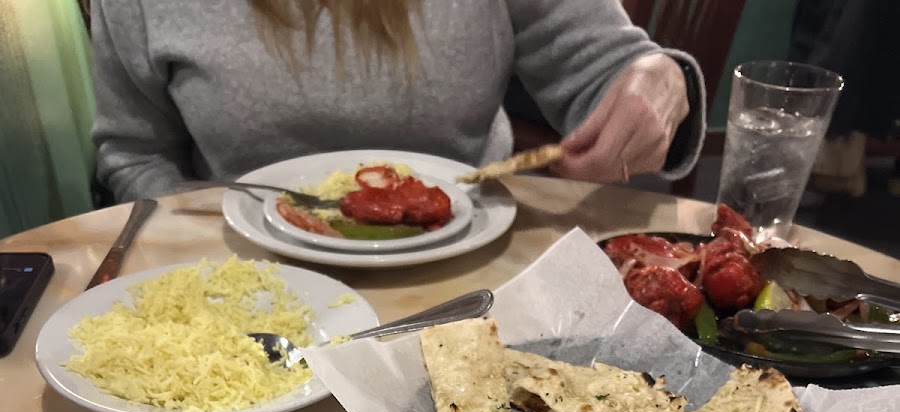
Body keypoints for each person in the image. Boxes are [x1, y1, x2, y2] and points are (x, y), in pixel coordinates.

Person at [91, 0, 706, 203]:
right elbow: (133, 153)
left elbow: (608, 67)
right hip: (245, 292)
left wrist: (657, 80)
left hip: (473, 280)